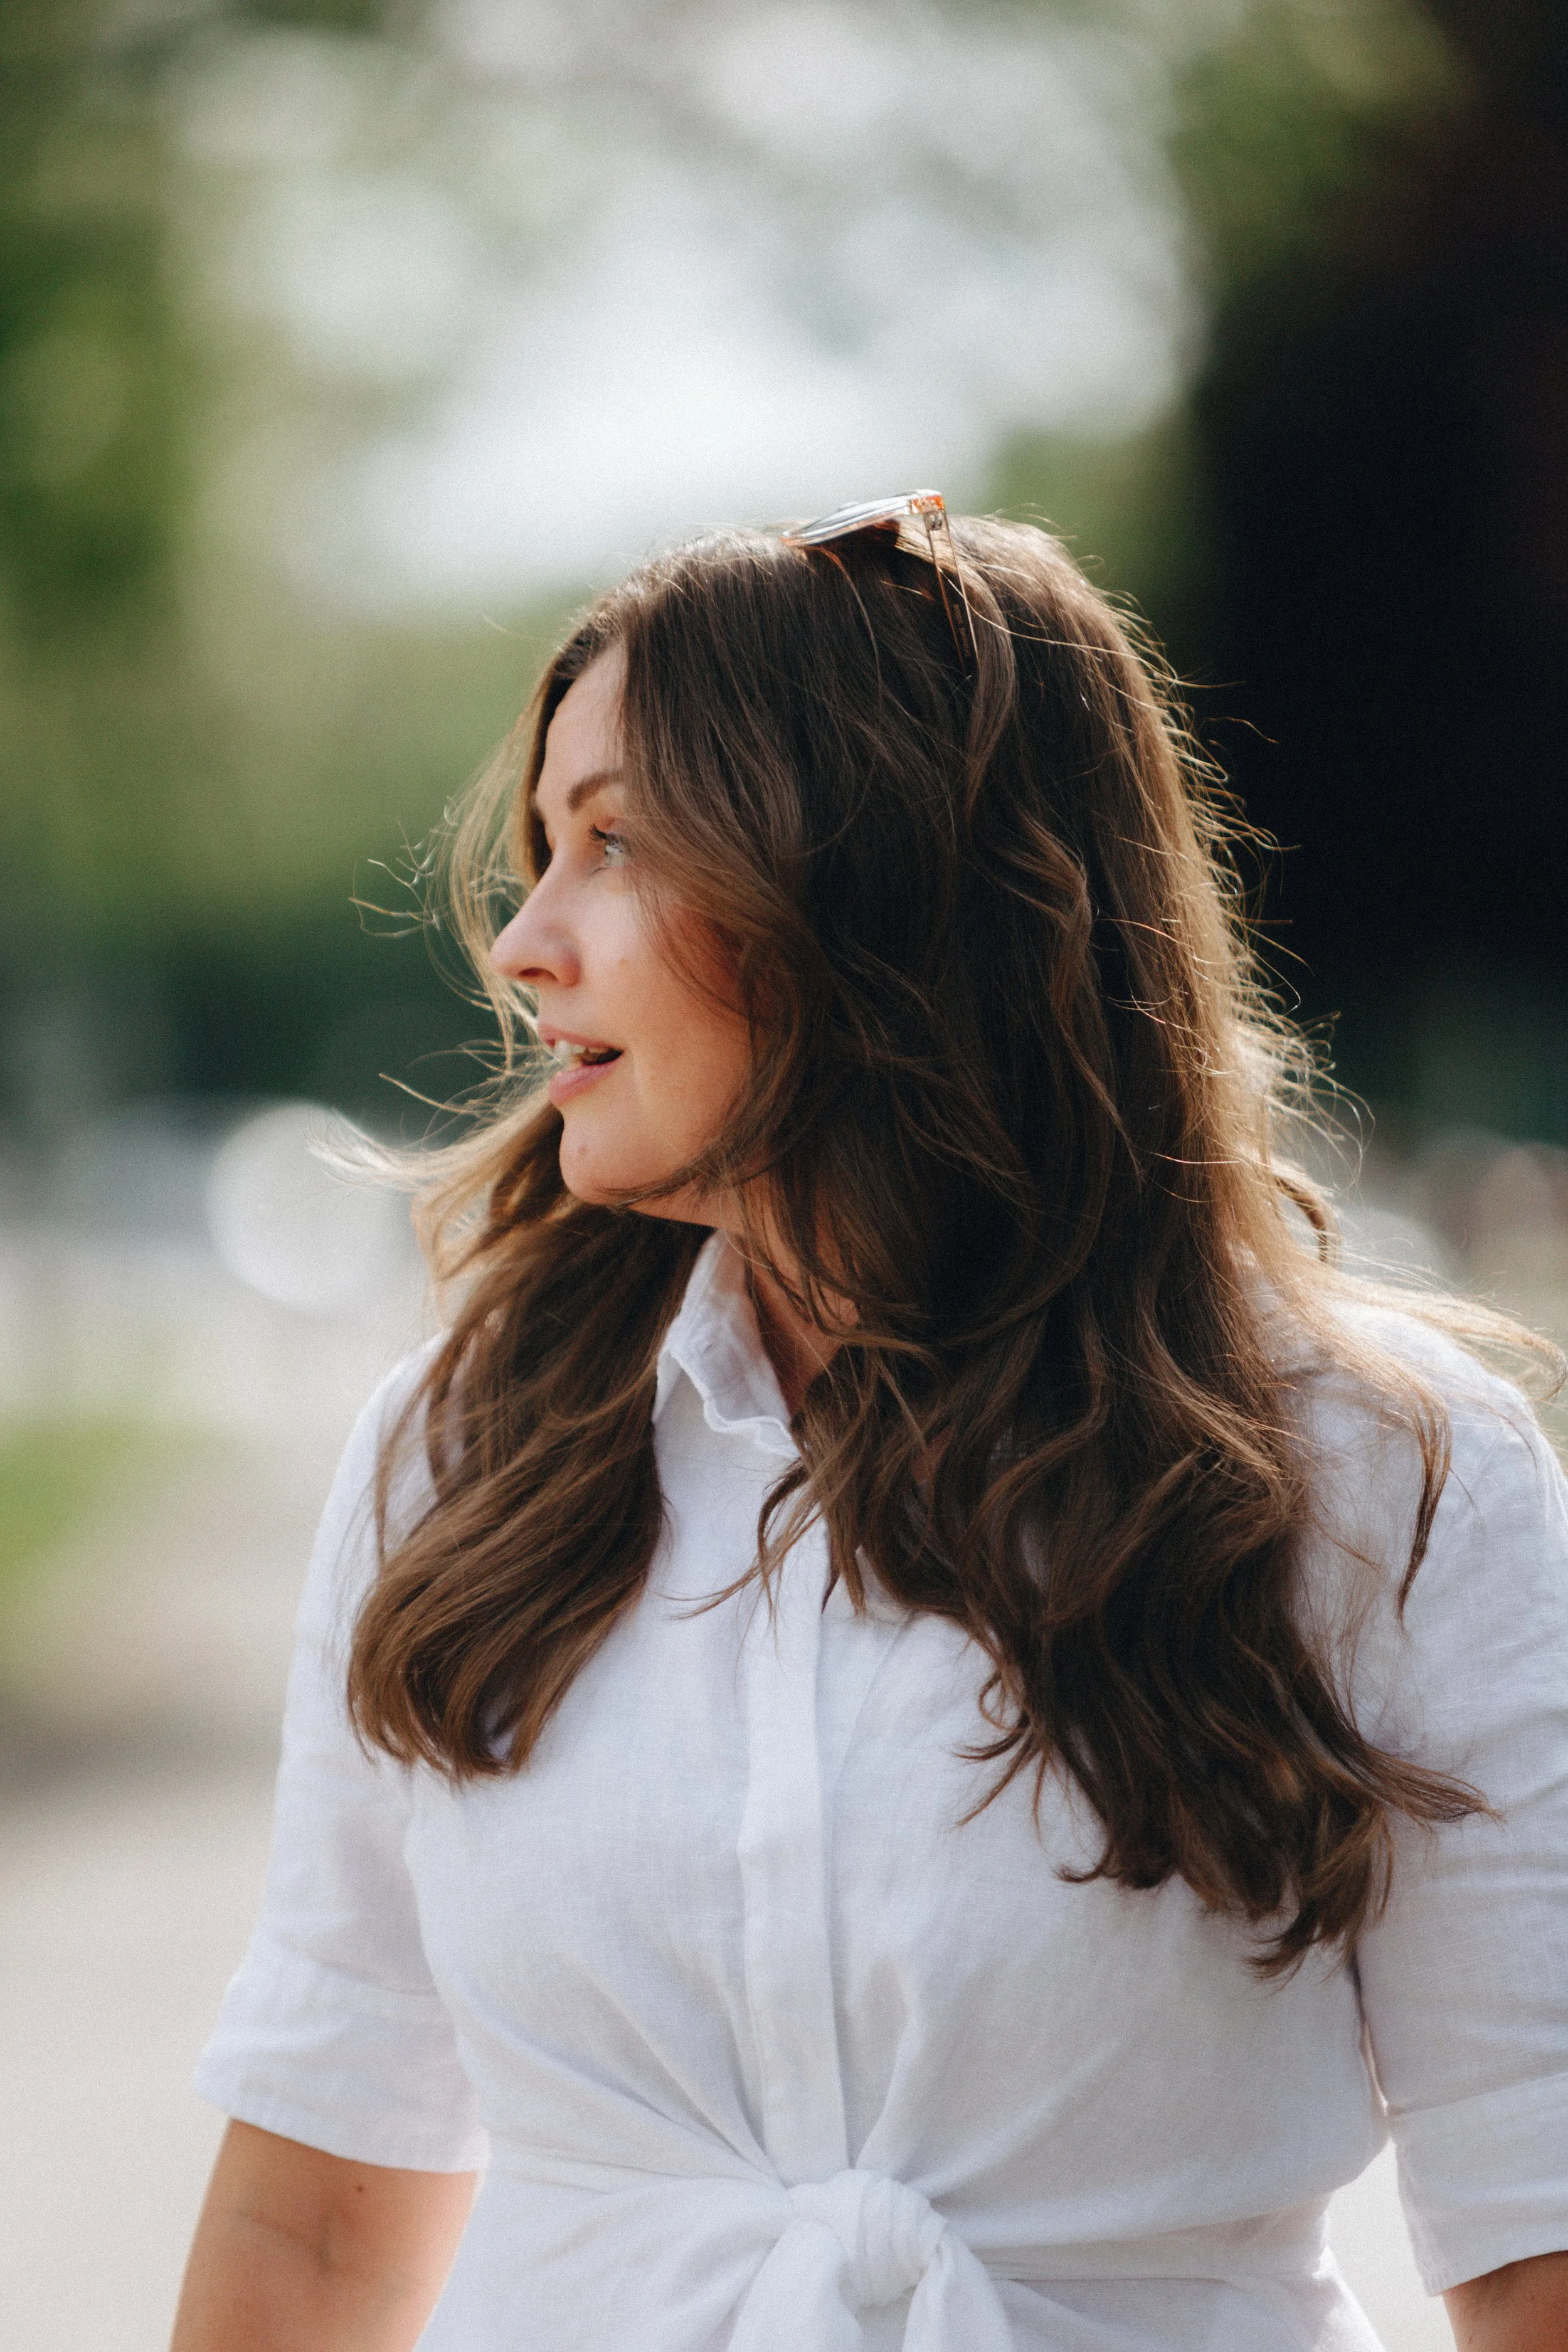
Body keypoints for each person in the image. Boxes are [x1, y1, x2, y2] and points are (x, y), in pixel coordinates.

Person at [171, 502, 1568, 2352]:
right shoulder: (455, 1458)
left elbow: (1536, 2228)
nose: (524, 944)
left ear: (869, 885)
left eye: (613, 845)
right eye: (539, 850)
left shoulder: (1383, 1476)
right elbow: (317, 2228)